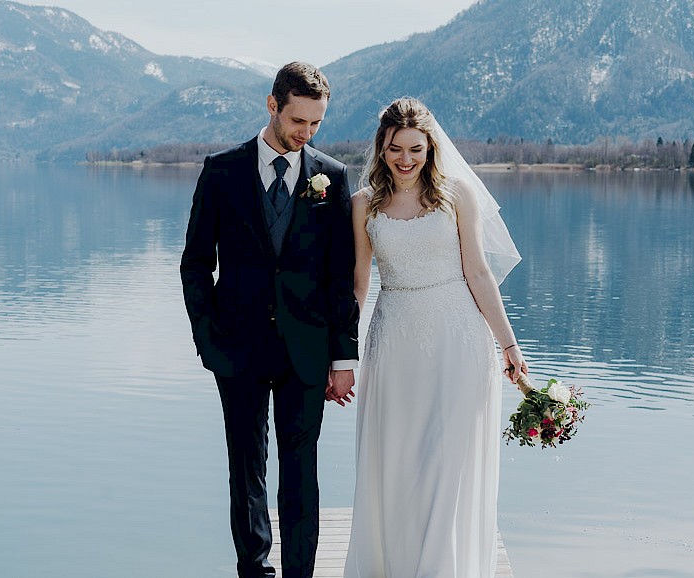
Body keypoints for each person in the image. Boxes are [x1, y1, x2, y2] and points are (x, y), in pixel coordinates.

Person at [180, 62, 359, 578]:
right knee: (247, 469)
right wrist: (206, 337)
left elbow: (339, 275)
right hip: (236, 347)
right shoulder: (222, 171)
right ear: (272, 105)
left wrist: (343, 355)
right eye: (298, 120)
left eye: (316, 124)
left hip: (307, 349)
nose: (306, 133)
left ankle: (300, 572)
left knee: (302, 471)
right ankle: (254, 570)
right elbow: (195, 262)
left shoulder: (333, 176)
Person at [341, 97, 527, 577]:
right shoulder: (363, 205)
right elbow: (360, 282)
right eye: (396, 148)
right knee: (400, 458)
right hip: (394, 338)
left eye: (416, 149)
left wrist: (508, 343)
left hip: (458, 336)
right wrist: (344, 354)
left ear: (431, 148)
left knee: (449, 461)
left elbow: (479, 273)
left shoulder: (456, 195)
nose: (406, 159)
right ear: (381, 148)